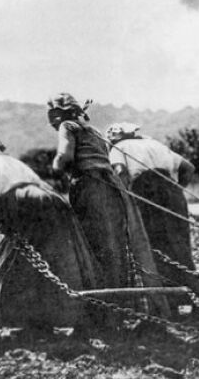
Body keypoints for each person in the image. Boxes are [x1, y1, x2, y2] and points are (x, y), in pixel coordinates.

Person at [0, 128, 100, 329]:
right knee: (63, 260)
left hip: (23, 200)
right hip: (55, 201)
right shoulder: (11, 161)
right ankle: (77, 314)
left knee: (16, 256)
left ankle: (2, 312)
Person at [47, 94, 170, 317]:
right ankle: (123, 307)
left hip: (90, 188)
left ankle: (106, 312)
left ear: (58, 114)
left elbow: (63, 157)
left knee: (97, 248)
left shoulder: (68, 126)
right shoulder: (94, 131)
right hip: (112, 189)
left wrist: (54, 168)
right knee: (116, 248)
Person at [106, 123, 199, 297]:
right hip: (173, 193)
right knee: (180, 246)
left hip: (146, 193)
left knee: (156, 247)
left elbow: (121, 172)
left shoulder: (118, 148)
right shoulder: (155, 144)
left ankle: (170, 299)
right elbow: (188, 168)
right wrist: (175, 190)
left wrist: (127, 200)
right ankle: (193, 296)